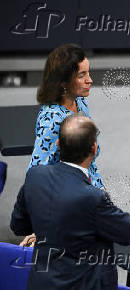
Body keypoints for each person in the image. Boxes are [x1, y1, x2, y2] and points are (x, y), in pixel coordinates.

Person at [10, 115, 130, 290]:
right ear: (94, 149)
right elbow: (129, 232)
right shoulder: (93, 197)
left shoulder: (34, 176)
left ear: (58, 144)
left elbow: (19, 226)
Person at [28, 43, 103, 188]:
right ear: (63, 82)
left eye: (88, 72)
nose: (90, 80)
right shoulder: (53, 121)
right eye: (82, 75)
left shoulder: (80, 101)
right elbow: (35, 175)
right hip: (69, 193)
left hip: (89, 182)